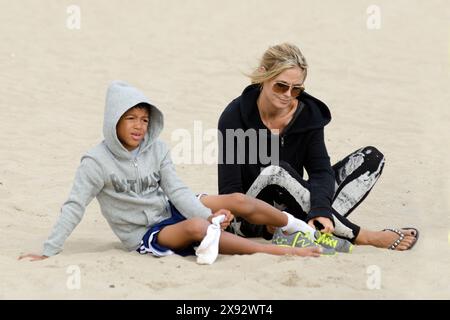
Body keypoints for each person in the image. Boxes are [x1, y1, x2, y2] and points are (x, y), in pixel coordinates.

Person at [19, 80, 323, 263]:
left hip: (172, 207)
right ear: (114, 121)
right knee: (196, 230)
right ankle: (277, 252)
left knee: (236, 200)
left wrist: (208, 212)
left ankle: (304, 230)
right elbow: (74, 206)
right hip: (146, 233)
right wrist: (49, 251)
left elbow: (177, 191)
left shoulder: (158, 149)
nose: (140, 126)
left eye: (144, 119)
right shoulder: (96, 163)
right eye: (131, 119)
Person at [218, 43, 419, 251]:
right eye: (281, 86)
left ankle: (312, 226)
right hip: (250, 218)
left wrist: (321, 209)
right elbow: (229, 191)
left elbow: (320, 171)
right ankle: (363, 236)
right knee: (275, 172)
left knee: (370, 159)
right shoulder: (234, 117)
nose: (287, 94)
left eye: (296, 89)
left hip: (294, 204)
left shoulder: (307, 115)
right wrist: (264, 224)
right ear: (263, 75)